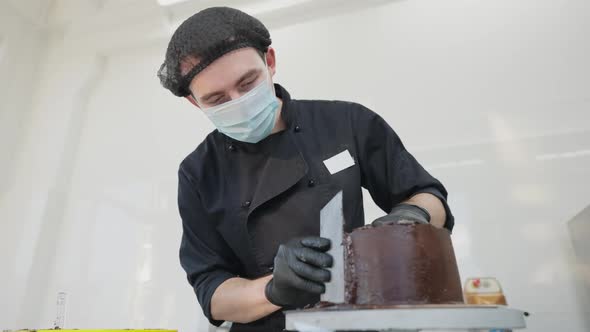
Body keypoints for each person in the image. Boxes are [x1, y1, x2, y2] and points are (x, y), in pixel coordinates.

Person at [158, 7, 454, 332]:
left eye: (248, 82)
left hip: (353, 323)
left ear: (269, 61)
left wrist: (413, 217)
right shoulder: (198, 172)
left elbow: (428, 196)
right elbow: (212, 292)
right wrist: (273, 289)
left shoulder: (347, 123)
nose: (239, 101)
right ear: (193, 102)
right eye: (217, 99)